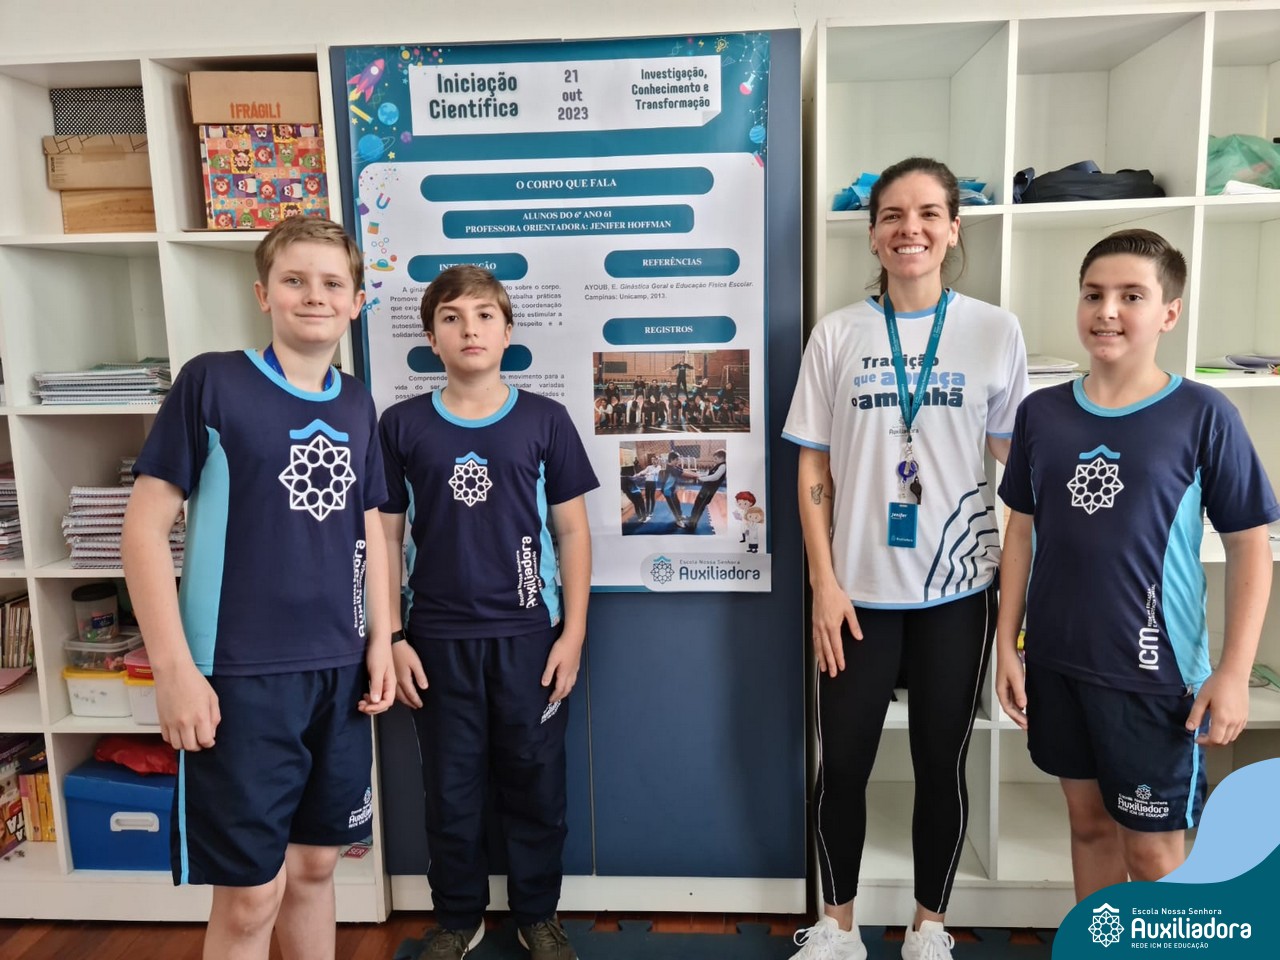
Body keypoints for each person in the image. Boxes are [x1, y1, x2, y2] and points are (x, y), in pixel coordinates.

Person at [121, 215, 395, 960]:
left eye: (332, 283)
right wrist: (174, 671)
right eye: (294, 280)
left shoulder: (356, 401)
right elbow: (142, 532)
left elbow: (372, 528)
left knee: (315, 867)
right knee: (250, 897)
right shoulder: (212, 382)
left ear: (357, 302)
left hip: (338, 672)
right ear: (263, 293)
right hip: (238, 677)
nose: (314, 295)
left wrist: (382, 639)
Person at [782, 157, 1029, 960]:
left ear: (954, 228)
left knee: (940, 766)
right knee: (843, 765)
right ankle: (838, 927)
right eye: (892, 214)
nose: (909, 228)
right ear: (872, 233)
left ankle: (929, 928)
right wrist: (823, 584)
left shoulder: (994, 330)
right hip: (854, 594)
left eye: (927, 214)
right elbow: (813, 467)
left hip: (958, 591)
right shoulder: (838, 333)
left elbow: (1016, 462)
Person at [994, 229, 1278, 900]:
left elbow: (1249, 543)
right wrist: (1006, 643)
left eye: (1131, 296)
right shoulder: (1041, 413)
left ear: (1169, 313)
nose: (1108, 311)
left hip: (1155, 677)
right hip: (1058, 665)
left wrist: (1233, 672)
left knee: (1152, 853)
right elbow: (1020, 531)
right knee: (1088, 828)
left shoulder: (1204, 414)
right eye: (1094, 294)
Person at [378, 265, 598, 960]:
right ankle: (457, 917)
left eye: (483, 316)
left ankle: (537, 914)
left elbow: (573, 532)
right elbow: (383, 538)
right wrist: (392, 637)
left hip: (530, 636)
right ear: (431, 338)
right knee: (450, 790)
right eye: (451, 317)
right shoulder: (401, 425)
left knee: (536, 785)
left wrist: (573, 635)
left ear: (507, 332)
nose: (468, 329)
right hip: (436, 641)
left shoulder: (544, 419)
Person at [685, 448, 727, 531]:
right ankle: (692, 518)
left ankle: (692, 525)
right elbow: (708, 474)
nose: (714, 460)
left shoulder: (723, 466)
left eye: (716, 458)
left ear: (722, 458)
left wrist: (701, 479)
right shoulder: (717, 465)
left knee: (700, 506)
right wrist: (699, 475)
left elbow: (715, 477)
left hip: (709, 491)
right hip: (705, 488)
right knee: (697, 503)